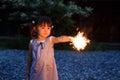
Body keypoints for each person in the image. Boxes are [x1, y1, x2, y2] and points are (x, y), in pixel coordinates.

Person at [26, 16, 72, 80]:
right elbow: (30, 58)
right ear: (35, 28)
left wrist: (70, 38)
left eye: (48, 28)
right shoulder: (32, 42)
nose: (46, 30)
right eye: (42, 27)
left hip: (48, 70)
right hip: (36, 70)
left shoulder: (50, 40)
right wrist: (27, 70)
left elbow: (59, 39)